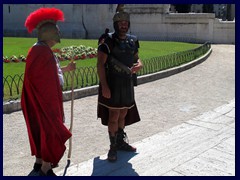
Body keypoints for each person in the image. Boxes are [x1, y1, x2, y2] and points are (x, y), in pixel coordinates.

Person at [21, 7, 76, 176]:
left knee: (39, 128)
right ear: (49, 34)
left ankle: (39, 162)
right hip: (45, 101)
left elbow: (50, 73)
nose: (58, 35)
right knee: (50, 129)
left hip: (37, 100)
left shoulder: (39, 49)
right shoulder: (42, 51)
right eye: (56, 32)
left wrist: (67, 68)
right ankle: (46, 167)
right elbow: (45, 80)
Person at [97, 8, 143, 162]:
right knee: (114, 115)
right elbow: (100, 65)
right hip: (113, 83)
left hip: (127, 83)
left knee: (123, 113)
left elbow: (137, 58)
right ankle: (112, 147)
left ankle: (120, 142)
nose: (123, 25)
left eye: (126, 23)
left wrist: (139, 64)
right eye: (120, 23)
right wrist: (104, 86)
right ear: (115, 24)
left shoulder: (132, 40)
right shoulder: (107, 41)